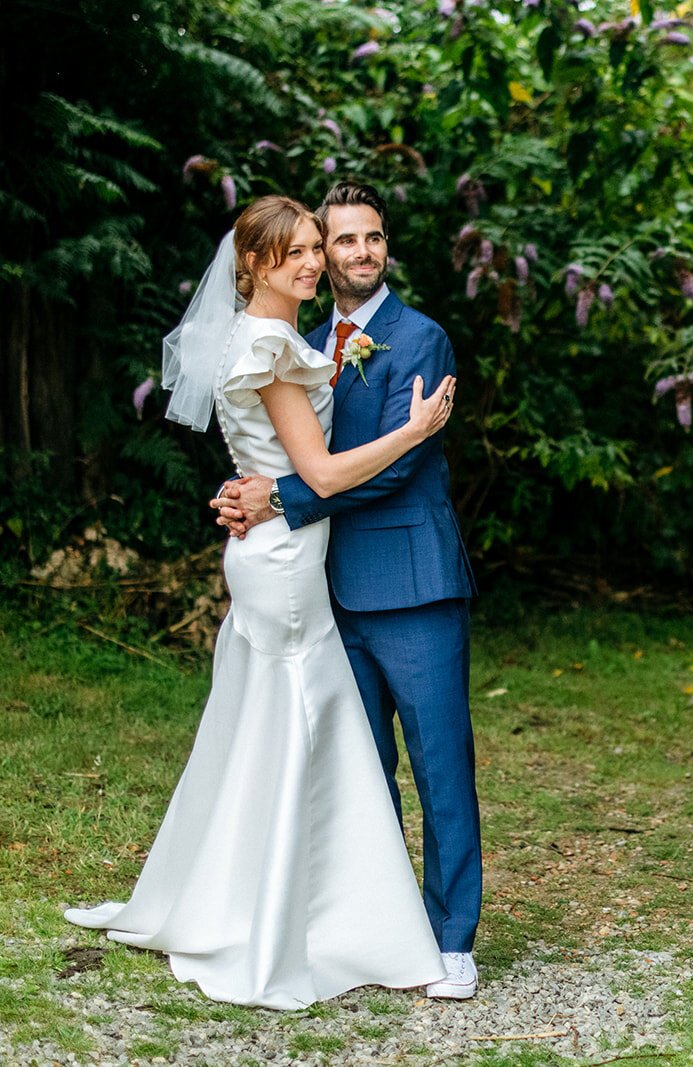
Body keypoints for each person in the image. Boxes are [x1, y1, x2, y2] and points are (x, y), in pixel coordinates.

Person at [66, 195, 457, 1009]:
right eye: (302, 251)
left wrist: (266, 492)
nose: (318, 261)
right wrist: (410, 432)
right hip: (289, 568)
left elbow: (293, 466)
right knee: (302, 728)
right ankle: (298, 918)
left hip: (326, 561)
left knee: (303, 733)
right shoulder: (282, 342)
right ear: (251, 265)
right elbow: (317, 470)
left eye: (327, 245)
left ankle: (400, 927)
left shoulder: (351, 337)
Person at [211, 181, 481, 1000]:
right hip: (324, 589)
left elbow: (398, 464)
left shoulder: (420, 338)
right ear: (319, 253)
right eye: (345, 240)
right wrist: (245, 487)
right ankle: (377, 928)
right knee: (360, 771)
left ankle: (452, 937)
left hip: (411, 582)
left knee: (440, 766)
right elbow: (286, 445)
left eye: (374, 238)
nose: (362, 252)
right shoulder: (304, 337)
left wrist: (280, 497)